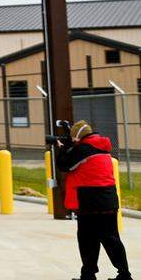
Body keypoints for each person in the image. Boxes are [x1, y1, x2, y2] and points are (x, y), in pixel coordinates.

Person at [56, 120, 131, 280]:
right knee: (111, 239)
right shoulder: (102, 147)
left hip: (89, 201)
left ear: (77, 136)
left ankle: (88, 275)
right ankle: (124, 274)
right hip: (108, 200)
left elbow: (63, 165)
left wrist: (63, 148)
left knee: (87, 240)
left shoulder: (83, 149)